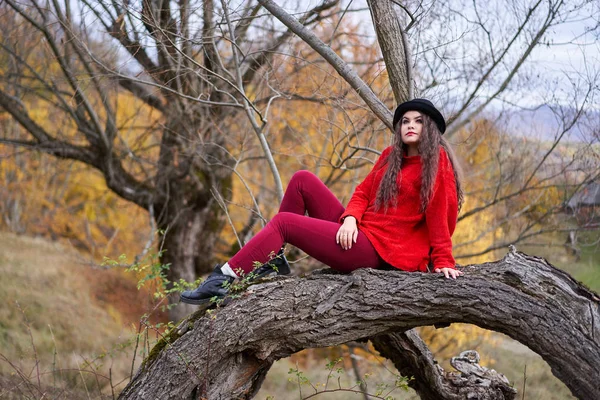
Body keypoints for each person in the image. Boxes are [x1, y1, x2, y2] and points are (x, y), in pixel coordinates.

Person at [180, 98, 464, 306]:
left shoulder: (437, 163)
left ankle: (223, 278)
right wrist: (350, 218)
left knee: (284, 223)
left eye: (418, 121)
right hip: (358, 233)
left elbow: (441, 215)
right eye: (405, 121)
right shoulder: (390, 156)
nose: (410, 126)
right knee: (302, 180)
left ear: (430, 128)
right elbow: (363, 192)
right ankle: (274, 260)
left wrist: (443, 260)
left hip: (379, 252)